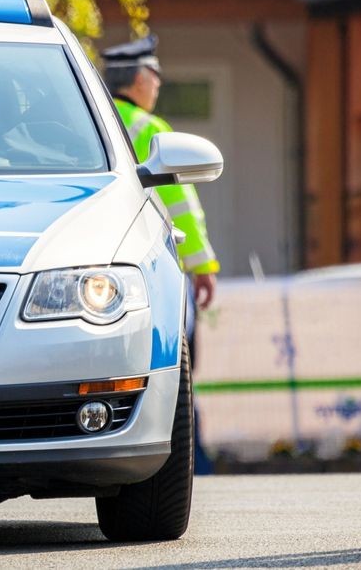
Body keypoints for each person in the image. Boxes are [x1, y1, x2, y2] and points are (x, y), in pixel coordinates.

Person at [102, 34, 220, 474]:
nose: (158, 85)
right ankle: (191, 459)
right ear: (139, 78)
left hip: (103, 272)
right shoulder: (150, 128)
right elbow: (182, 207)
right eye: (156, 76)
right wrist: (202, 264)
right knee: (178, 367)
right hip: (155, 268)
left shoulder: (92, 118)